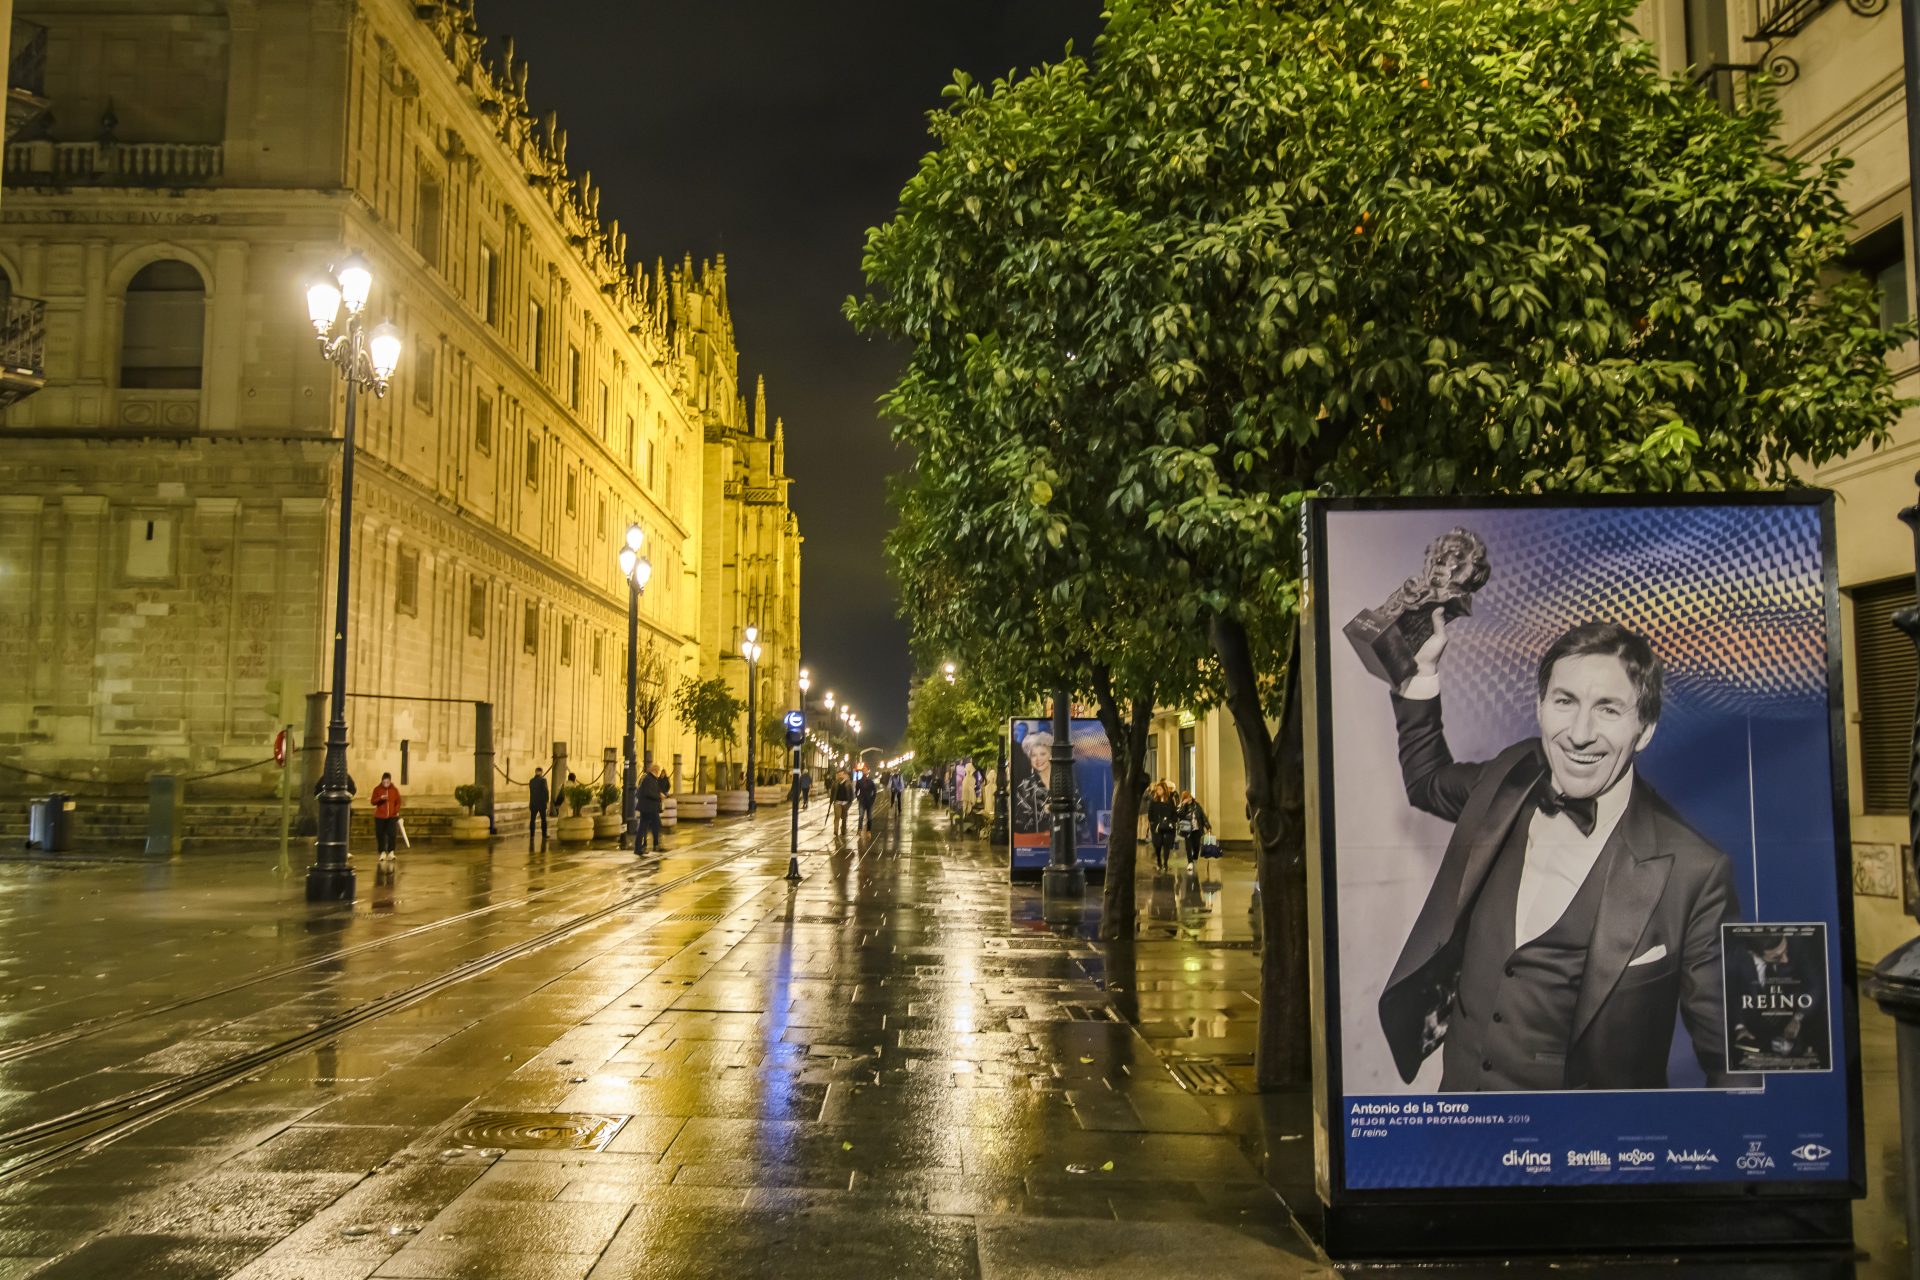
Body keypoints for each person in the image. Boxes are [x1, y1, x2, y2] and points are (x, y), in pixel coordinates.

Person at [1379, 615, 1743, 1092]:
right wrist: (1422, 673)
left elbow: (1734, 1064)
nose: (1579, 733)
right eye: (1565, 702)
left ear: (1646, 727)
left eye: (1609, 709)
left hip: (1587, 1155)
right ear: (1540, 705)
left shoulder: (1696, 870)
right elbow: (1427, 781)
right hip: (1460, 1131)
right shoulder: (1508, 776)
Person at [1146, 781, 1178, 872]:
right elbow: (1150, 812)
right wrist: (1152, 822)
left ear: (1164, 790)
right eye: (1157, 789)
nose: (1158, 791)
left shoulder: (1170, 800)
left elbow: (1174, 812)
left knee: (1167, 845)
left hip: (1168, 826)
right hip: (1157, 827)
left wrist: (1173, 821)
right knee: (1158, 844)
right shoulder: (1154, 800)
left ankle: (1165, 863)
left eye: (1160, 789)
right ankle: (1159, 860)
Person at [370, 772, 403, 860]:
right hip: (380, 816)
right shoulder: (377, 789)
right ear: (382, 781)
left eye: (387, 782)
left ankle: (391, 852)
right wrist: (380, 798)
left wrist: (395, 811)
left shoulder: (394, 790)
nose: (386, 784)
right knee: (380, 834)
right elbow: (373, 801)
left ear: (390, 781)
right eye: (384, 782)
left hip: (392, 816)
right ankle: (382, 852)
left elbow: (398, 802)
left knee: (392, 834)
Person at [635, 762, 665, 854]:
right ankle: (654, 845)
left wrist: (659, 794)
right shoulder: (648, 779)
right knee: (655, 825)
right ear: (656, 770)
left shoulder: (651, 779)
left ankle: (641, 847)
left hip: (649, 808)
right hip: (649, 808)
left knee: (644, 827)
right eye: (659, 770)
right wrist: (659, 797)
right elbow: (648, 793)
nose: (660, 773)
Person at [1176, 790, 1209, 866]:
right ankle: (1190, 862)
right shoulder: (1182, 806)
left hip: (1197, 829)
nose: (1188, 799)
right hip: (1187, 830)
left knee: (1196, 846)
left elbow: (1202, 816)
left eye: (1189, 797)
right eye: (1186, 798)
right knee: (1188, 846)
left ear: (1191, 797)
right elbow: (1179, 814)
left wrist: (1207, 826)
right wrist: (1183, 805)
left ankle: (1194, 858)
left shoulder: (1197, 805)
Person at [528, 767, 550, 843]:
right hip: (541, 803)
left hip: (533, 803)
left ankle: (532, 835)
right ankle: (544, 834)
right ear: (541, 772)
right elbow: (546, 791)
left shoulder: (531, 781)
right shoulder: (543, 780)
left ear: (535, 772)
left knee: (532, 820)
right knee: (543, 820)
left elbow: (531, 791)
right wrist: (546, 801)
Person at [830, 769, 853, 837]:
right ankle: (836, 831)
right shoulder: (835, 783)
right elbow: (832, 793)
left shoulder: (848, 783)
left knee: (844, 817)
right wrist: (831, 801)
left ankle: (843, 830)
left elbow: (851, 794)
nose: (840, 776)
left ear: (845, 775)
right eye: (839, 774)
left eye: (842, 774)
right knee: (837, 816)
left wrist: (849, 803)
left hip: (845, 803)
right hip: (837, 803)